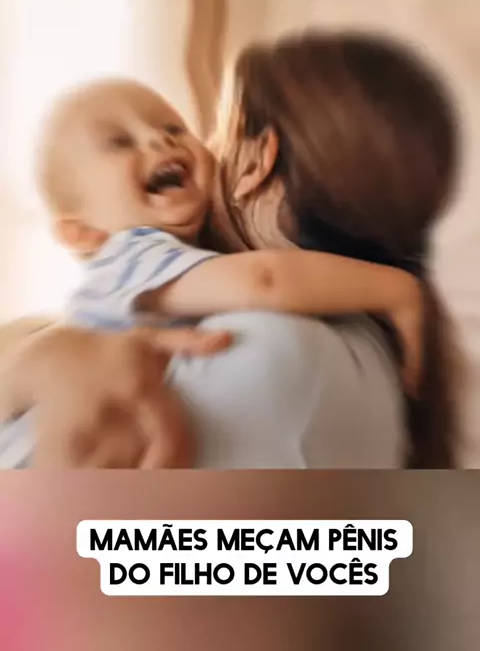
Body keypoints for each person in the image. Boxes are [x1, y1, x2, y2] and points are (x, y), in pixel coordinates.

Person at [0, 32, 462, 469]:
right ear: (82, 233)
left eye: (174, 128)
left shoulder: (270, 346)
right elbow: (266, 280)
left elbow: (267, 281)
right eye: (119, 143)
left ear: (258, 162)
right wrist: (396, 289)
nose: (159, 141)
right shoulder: (133, 254)